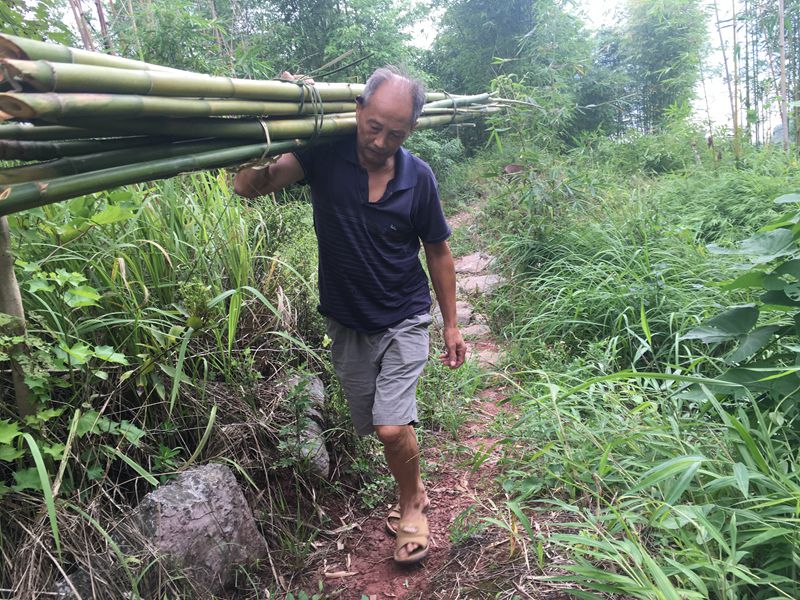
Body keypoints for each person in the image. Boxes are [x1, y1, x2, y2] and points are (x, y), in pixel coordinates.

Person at [234, 66, 466, 565]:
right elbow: (249, 186)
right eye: (374, 126)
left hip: (404, 314)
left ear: (411, 130)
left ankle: (412, 505)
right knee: (376, 423)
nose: (380, 142)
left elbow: (438, 251)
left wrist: (450, 323)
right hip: (346, 319)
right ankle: (415, 486)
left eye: (395, 134)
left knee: (390, 427)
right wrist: (277, 125)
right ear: (358, 110)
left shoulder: (418, 178)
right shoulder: (322, 152)